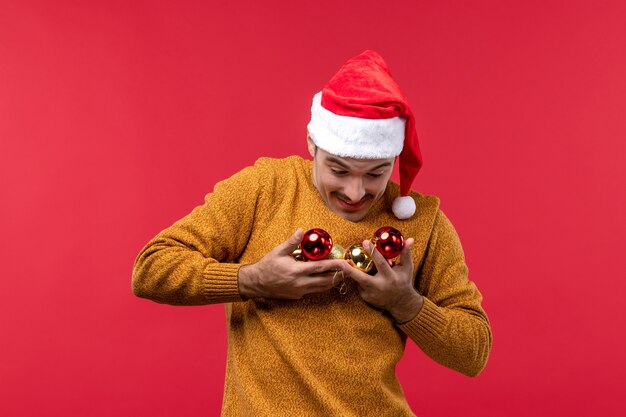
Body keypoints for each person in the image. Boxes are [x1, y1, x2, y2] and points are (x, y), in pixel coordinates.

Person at [132, 50, 492, 416]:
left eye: (375, 174)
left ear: (393, 161)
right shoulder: (265, 189)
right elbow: (151, 268)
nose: (355, 193)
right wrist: (251, 280)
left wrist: (405, 304)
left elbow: (474, 352)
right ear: (311, 145)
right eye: (338, 170)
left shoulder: (422, 221)